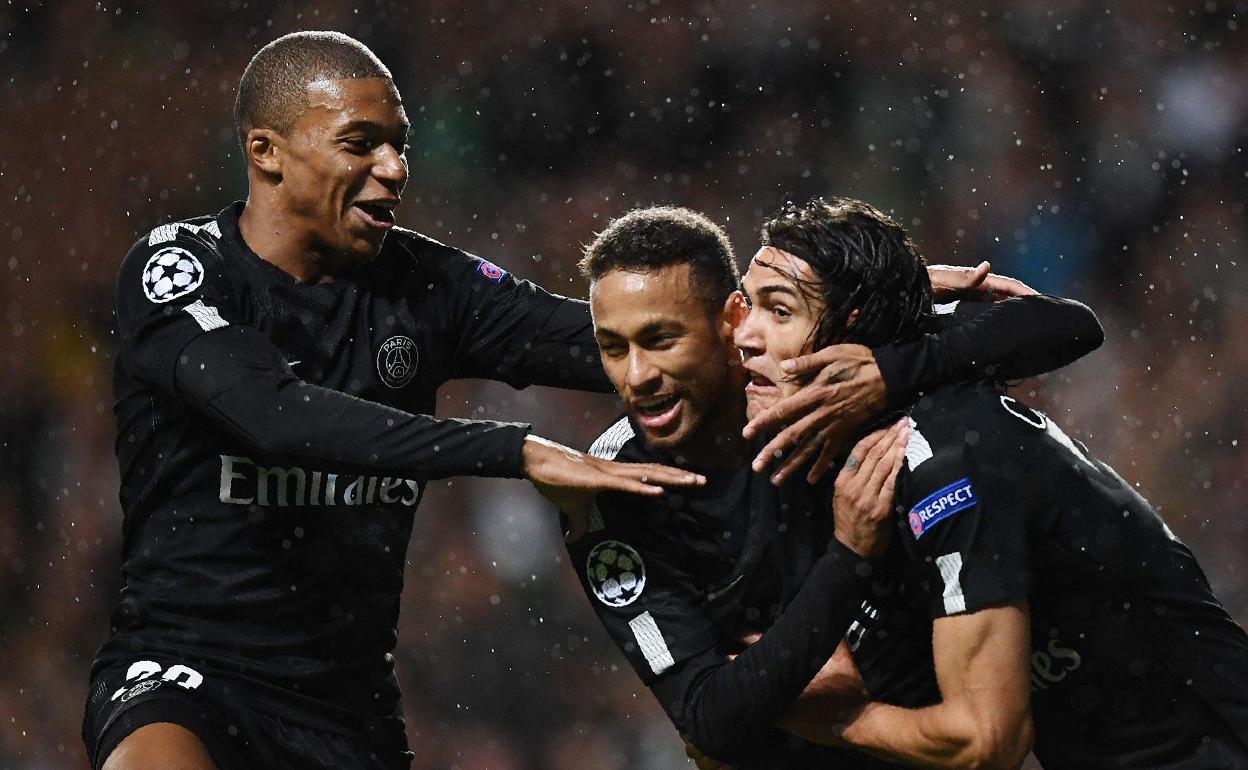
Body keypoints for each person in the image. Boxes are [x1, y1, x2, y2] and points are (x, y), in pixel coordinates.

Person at [81, 31, 707, 770]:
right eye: (361, 143)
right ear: (266, 152)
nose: (393, 168)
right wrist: (513, 449)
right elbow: (276, 416)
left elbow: (617, 340)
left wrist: (840, 358)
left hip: (347, 710)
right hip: (184, 676)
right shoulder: (179, 269)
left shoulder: (425, 286)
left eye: (399, 145)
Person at [565, 205, 1105, 768]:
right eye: (613, 348)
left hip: (930, 734)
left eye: (661, 339)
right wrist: (847, 560)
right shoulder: (614, 489)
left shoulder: (820, 365)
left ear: (730, 321)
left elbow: (1064, 326)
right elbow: (707, 724)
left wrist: (894, 364)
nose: (637, 376)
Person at [732, 196, 1248, 767]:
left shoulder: (943, 464)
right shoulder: (909, 389)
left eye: (779, 312)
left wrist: (840, 717)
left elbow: (987, 742)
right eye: (746, 306)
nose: (745, 337)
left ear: (852, 327)